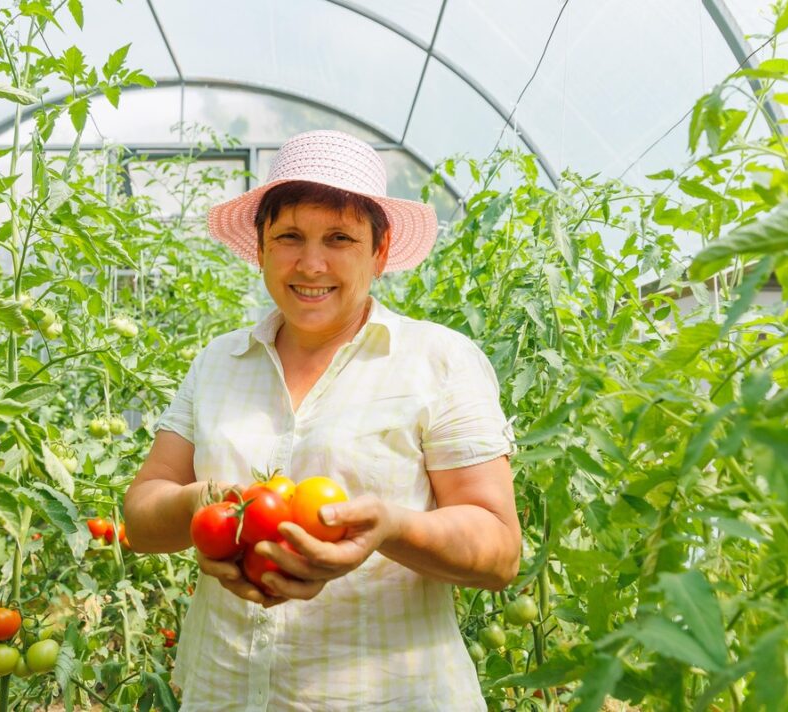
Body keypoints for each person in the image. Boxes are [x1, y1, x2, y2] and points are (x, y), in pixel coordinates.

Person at [123, 129, 520, 711]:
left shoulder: (438, 361)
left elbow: (499, 551)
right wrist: (194, 506)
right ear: (259, 249)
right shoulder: (218, 362)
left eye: (339, 238)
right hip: (225, 692)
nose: (311, 263)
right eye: (288, 237)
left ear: (379, 253)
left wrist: (389, 528)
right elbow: (140, 517)